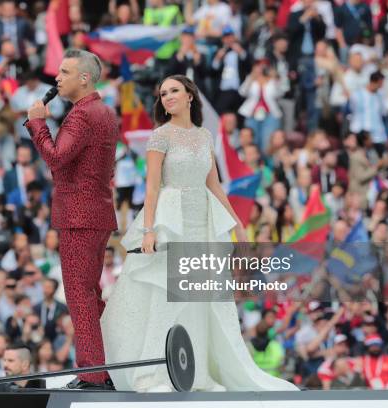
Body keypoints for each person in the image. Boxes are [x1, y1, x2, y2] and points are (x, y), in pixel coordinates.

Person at [100, 75, 300, 392]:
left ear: (190, 95)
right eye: (163, 93)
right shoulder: (159, 136)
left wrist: (237, 223)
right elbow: (152, 188)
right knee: (168, 298)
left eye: (174, 91)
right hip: (170, 221)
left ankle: (196, 373)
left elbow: (215, 185)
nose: (167, 97)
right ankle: (156, 374)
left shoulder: (205, 136)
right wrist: (149, 229)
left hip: (202, 220)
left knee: (198, 298)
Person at [25, 49, 117, 390]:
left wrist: (37, 124)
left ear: (85, 78)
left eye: (65, 71)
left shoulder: (81, 116)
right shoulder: (104, 111)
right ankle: (106, 367)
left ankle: (92, 374)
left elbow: (56, 159)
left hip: (78, 215)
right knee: (90, 295)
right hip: (98, 210)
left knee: (79, 295)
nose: (57, 77)